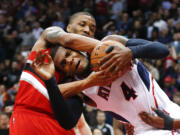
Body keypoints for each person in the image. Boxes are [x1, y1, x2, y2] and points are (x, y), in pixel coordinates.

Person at [32, 33, 180, 135]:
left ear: (78, 50)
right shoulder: (80, 89)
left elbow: (162, 50)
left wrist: (130, 52)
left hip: (171, 111)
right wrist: (87, 82)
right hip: (143, 130)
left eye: (69, 54)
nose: (69, 60)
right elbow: (63, 115)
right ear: (66, 72)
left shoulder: (110, 45)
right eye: (64, 63)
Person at [9, 12, 119, 135]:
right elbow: (68, 39)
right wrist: (115, 48)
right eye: (82, 24)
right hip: (28, 117)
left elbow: (75, 120)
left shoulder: (84, 69)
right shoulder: (49, 38)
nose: (87, 30)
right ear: (69, 28)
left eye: (92, 29)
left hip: (59, 125)